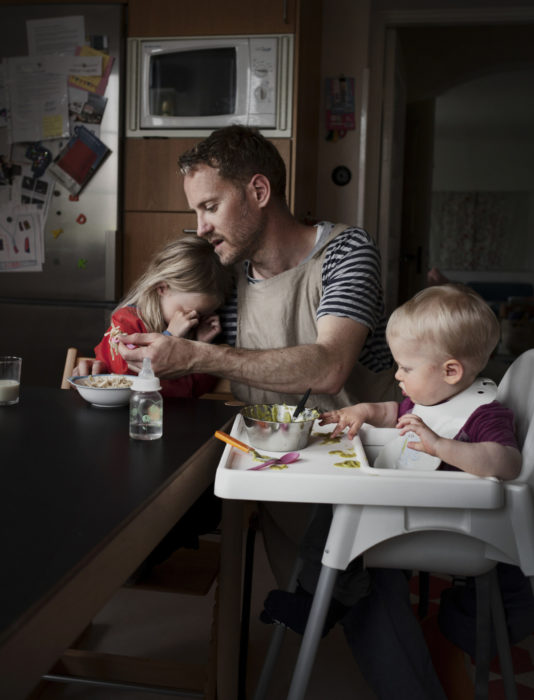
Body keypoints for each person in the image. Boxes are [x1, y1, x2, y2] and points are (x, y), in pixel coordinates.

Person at [111, 124, 399, 588]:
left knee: (357, 603)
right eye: (197, 211)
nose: (201, 227)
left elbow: (329, 367)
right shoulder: (227, 278)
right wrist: (101, 358)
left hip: (359, 471)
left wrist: (198, 355)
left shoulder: (347, 252)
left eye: (210, 206)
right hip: (274, 474)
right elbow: (147, 314)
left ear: (258, 191)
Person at [262, 283, 522, 699]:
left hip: (452, 527)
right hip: (418, 509)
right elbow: (394, 414)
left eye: (405, 368)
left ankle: (323, 597)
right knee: (332, 502)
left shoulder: (482, 413)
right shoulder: (432, 398)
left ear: (450, 371)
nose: (396, 376)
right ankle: (316, 594)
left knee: (341, 507)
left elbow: (506, 461)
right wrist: (364, 411)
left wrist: (441, 447)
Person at [93, 236, 233, 398]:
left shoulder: (194, 333)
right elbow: (127, 380)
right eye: (190, 312)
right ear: (162, 289)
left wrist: (200, 348)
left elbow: (192, 390)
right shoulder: (127, 322)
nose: (195, 321)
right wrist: (169, 336)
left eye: (202, 315)